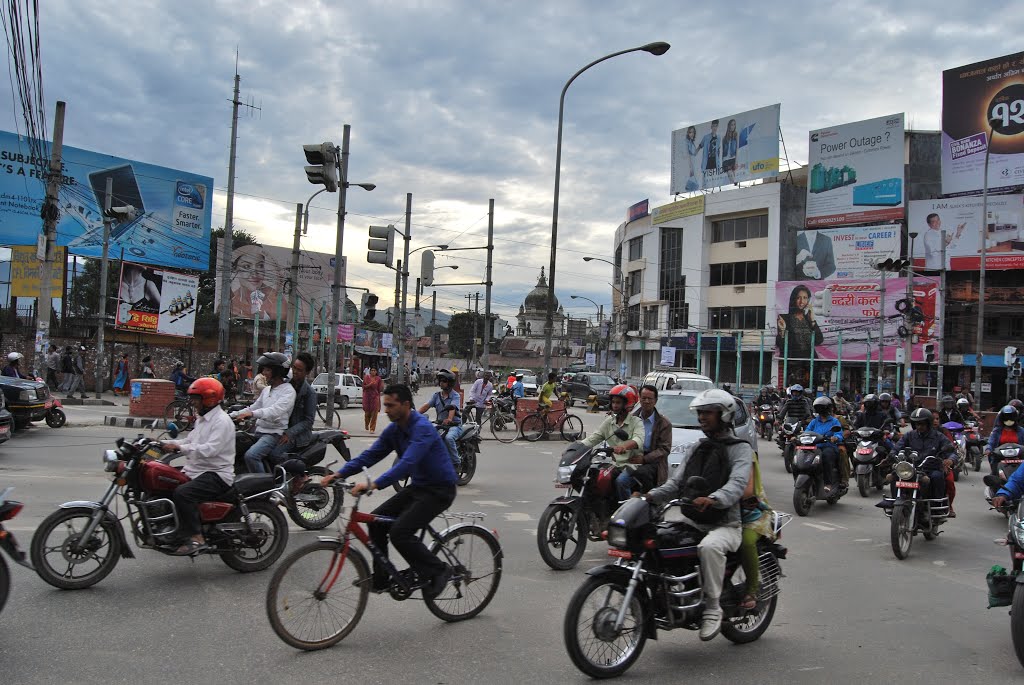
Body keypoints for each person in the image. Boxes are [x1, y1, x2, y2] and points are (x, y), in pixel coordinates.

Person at [321, 384, 457, 597]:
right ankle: (382, 578)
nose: (386, 410)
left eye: (391, 406)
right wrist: (339, 475)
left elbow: (407, 464)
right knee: (375, 523)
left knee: (399, 533)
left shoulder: (422, 428)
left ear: (405, 404)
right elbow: (369, 456)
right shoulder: (395, 430)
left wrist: (373, 484)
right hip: (419, 487)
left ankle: (439, 570)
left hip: (439, 490)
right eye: (385, 405)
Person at [642, 389, 753, 642]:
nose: (702, 417)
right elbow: (676, 484)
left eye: (708, 413)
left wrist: (714, 499)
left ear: (724, 415)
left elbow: (737, 484)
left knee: (709, 548)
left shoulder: (740, 449)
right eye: (700, 413)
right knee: (661, 539)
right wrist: (648, 496)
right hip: (693, 521)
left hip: (726, 525)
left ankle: (713, 607)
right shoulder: (697, 447)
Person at [160, 378, 235, 555]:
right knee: (166, 480)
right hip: (197, 469)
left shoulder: (222, 421)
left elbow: (210, 449)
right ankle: (175, 530)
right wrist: (163, 443)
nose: (193, 403)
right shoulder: (203, 419)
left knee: (183, 493)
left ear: (209, 399)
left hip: (216, 473)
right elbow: (189, 440)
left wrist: (179, 448)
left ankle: (197, 537)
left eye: (196, 399)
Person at [578, 384, 645, 502]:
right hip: (615, 465)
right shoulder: (609, 422)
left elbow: (638, 439)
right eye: (613, 402)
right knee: (593, 478)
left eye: (618, 402)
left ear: (627, 403)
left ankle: (626, 511)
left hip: (632, 465)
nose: (615, 405)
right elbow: (594, 438)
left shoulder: (636, 422)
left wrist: (623, 446)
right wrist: (575, 449)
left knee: (621, 482)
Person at [237, 353, 297, 474]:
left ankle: (263, 488)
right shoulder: (267, 390)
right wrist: (231, 415)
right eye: (264, 369)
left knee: (252, 456)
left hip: (273, 435)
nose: (264, 373)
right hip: (258, 431)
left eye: (268, 369)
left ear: (278, 371)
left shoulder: (288, 391)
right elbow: (253, 407)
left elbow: (274, 411)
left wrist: (252, 414)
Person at [269, 352, 317, 478]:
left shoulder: (309, 393)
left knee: (275, 454)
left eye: (299, 370)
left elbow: (308, 421)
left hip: (297, 436)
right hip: (279, 429)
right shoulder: (285, 385)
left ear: (307, 373)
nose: (295, 371)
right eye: (294, 368)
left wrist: (289, 433)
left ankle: (299, 475)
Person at [891, 408, 956, 501]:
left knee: (937, 477)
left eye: (922, 424)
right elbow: (896, 447)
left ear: (928, 423)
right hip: (911, 468)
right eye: (917, 424)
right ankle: (895, 501)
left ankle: (936, 504)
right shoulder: (909, 435)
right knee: (895, 475)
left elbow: (951, 451)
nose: (919, 426)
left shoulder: (939, 436)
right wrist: (892, 454)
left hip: (931, 469)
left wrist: (951, 459)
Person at [738, 452, 776, 610]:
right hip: (714, 513)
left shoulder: (743, 453)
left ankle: (751, 590)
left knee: (746, 542)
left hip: (751, 514)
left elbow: (747, 491)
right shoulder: (700, 448)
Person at [623, 385, 672, 494]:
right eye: (643, 398)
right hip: (632, 459)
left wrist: (644, 459)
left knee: (625, 480)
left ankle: (645, 505)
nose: (646, 401)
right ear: (639, 399)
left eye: (650, 399)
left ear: (655, 401)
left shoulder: (663, 423)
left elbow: (664, 449)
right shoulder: (631, 419)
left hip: (653, 462)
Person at [418, 370, 463, 466]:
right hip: (440, 425)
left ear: (450, 383)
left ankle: (456, 463)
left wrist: (449, 419)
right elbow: (426, 406)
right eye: (440, 381)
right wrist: (414, 415)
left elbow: (453, 408)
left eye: (444, 381)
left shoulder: (455, 396)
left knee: (449, 438)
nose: (441, 383)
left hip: (454, 425)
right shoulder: (437, 396)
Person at [803, 396, 845, 492]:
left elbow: (839, 433)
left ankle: (828, 483)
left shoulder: (834, 421)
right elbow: (807, 432)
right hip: (815, 447)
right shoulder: (814, 421)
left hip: (829, 446)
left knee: (826, 456)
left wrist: (835, 438)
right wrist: (800, 437)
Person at [776, 285, 823, 359]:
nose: (802, 301)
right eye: (798, 298)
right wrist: (782, 331)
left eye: (805, 298)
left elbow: (819, 340)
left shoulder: (809, 319)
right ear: (793, 299)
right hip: (792, 361)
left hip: (811, 361)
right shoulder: (784, 318)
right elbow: (780, 345)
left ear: (808, 301)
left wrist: (812, 320)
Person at [985, 405, 1024, 474]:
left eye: (1011, 417)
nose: (1009, 419)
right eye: (1006, 417)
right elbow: (991, 442)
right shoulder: (997, 431)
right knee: (993, 475)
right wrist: (988, 449)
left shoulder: (1021, 431)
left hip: (1018, 459)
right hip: (1000, 459)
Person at [697, 118, 721, 189]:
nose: (714, 128)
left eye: (716, 126)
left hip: (715, 160)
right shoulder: (706, 137)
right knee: (705, 176)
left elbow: (718, 149)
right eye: (713, 126)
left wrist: (719, 159)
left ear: (717, 127)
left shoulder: (719, 137)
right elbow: (700, 146)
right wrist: (693, 153)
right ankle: (704, 188)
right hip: (707, 160)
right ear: (711, 127)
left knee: (714, 177)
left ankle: (714, 190)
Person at [363, 367, 384, 432]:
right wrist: (370, 384)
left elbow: (380, 389)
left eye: (374, 370)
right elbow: (364, 386)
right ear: (370, 371)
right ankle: (367, 424)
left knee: (374, 413)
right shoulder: (366, 377)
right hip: (367, 397)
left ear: (376, 372)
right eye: (372, 370)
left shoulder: (378, 379)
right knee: (367, 413)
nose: (373, 371)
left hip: (375, 397)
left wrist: (382, 386)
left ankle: (372, 428)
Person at [682, 125, 700, 192]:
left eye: (693, 132)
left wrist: (700, 146)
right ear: (688, 133)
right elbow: (688, 155)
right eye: (690, 132)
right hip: (690, 165)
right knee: (694, 184)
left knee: (694, 184)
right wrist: (690, 168)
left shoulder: (692, 143)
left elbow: (694, 153)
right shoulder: (687, 142)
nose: (692, 134)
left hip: (693, 164)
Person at [721, 118, 739, 184]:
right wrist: (721, 162)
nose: (733, 126)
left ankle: (736, 186)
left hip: (733, 158)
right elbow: (722, 152)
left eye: (734, 125)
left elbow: (737, 148)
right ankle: (735, 184)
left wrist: (736, 161)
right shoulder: (724, 138)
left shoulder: (736, 135)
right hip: (725, 160)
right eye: (731, 125)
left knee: (734, 177)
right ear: (729, 126)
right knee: (730, 175)